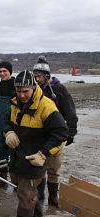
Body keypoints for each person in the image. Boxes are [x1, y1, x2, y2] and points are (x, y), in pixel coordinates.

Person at [0, 70, 68, 217]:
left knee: (26, 195)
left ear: (33, 88)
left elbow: (61, 134)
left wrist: (43, 154)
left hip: (34, 159)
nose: (22, 95)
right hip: (18, 157)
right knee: (28, 192)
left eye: (26, 91)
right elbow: (7, 121)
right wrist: (8, 132)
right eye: (19, 91)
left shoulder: (46, 106)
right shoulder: (15, 103)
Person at [33, 55, 78, 207]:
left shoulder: (59, 91)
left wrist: (70, 133)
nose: (36, 79)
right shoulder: (33, 92)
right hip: (39, 137)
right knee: (40, 168)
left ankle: (53, 199)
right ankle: (40, 197)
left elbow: (71, 114)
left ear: (46, 76)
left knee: (54, 169)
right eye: (34, 76)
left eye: (38, 76)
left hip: (56, 136)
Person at [0, 61, 15, 187]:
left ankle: (16, 179)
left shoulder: (17, 86)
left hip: (13, 124)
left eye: (5, 71)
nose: (2, 73)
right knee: (0, 151)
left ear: (10, 71)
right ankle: (3, 177)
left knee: (15, 151)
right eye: (0, 71)